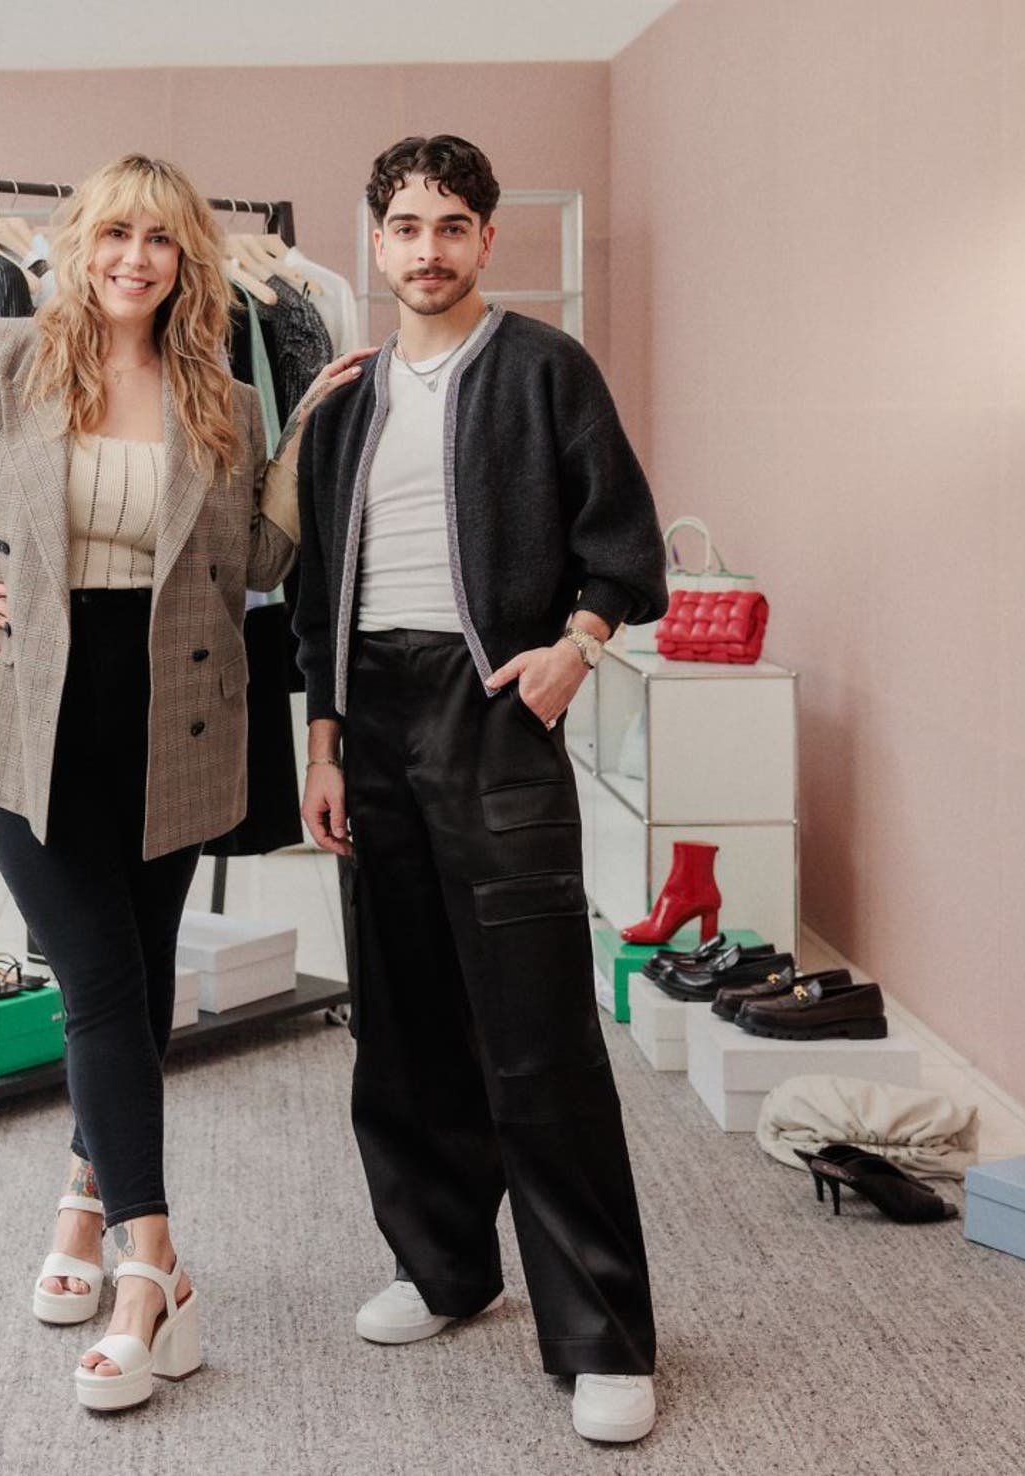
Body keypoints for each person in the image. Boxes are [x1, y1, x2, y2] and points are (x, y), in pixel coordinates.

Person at [0, 154, 369, 1412]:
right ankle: (154, 1267)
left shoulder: (221, 393)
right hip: (28, 709)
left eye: (160, 241)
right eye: (114, 233)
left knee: (132, 977)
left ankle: (81, 1204)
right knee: (99, 986)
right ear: (77, 245)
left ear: (189, 263)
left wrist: (299, 438)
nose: (135, 257)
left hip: (177, 714)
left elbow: (256, 558)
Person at [290, 135, 670, 1444]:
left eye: (453, 224)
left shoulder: (545, 369)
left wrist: (578, 648)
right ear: (376, 239)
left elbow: (624, 544)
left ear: (487, 240)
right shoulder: (341, 398)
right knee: (398, 1022)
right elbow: (307, 592)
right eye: (406, 225)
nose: (429, 248)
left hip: (493, 708)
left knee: (537, 1033)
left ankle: (604, 1334)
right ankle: (443, 1267)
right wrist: (324, 742)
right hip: (372, 723)